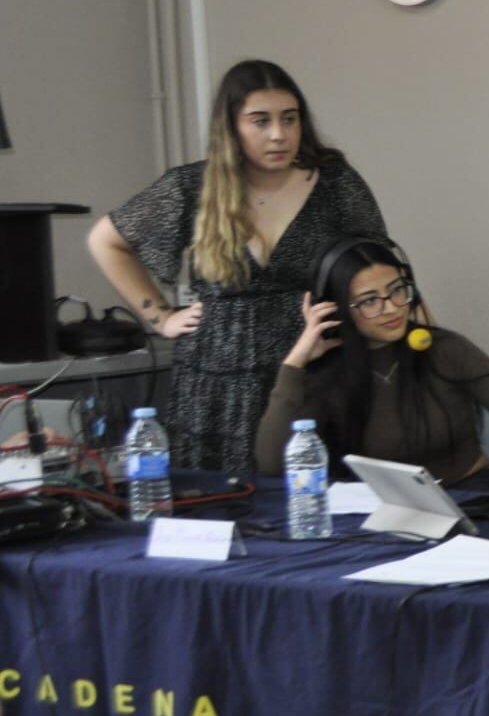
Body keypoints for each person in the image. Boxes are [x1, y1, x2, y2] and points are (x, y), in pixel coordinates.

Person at [87, 60, 386, 474]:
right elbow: (106, 240)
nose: (279, 134)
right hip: (215, 378)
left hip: (312, 367)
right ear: (231, 127)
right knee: (218, 501)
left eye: (289, 119)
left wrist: (432, 345)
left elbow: (382, 272)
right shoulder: (190, 187)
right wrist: (160, 317)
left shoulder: (334, 182)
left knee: (315, 495)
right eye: (260, 121)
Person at [254, 238, 489, 493]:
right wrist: (295, 362)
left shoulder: (444, 350)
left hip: (462, 498)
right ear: (333, 310)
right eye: (369, 301)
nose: (391, 308)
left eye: (397, 290)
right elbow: (272, 464)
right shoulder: (326, 371)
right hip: (376, 512)